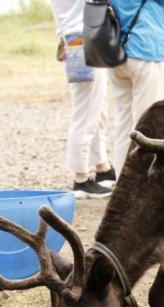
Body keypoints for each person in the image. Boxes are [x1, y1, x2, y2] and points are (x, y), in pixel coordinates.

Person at [109, 0, 164, 176]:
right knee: (150, 123)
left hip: (114, 49)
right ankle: (144, 185)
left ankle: (122, 181)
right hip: (146, 48)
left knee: (124, 122)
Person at [51, 0, 115, 199]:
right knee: (86, 111)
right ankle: (81, 178)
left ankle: (101, 166)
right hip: (85, 38)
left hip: (76, 38)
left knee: (97, 107)